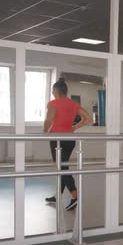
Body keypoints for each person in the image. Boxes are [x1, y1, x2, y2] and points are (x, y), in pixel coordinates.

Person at [43, 78, 92, 211]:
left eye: (53, 90)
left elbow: (49, 119)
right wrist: (74, 127)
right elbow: (88, 118)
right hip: (70, 139)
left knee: (62, 169)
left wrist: (44, 133)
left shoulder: (53, 103)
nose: (53, 92)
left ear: (56, 91)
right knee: (62, 166)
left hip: (57, 139)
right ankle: (57, 195)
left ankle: (75, 197)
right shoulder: (73, 104)